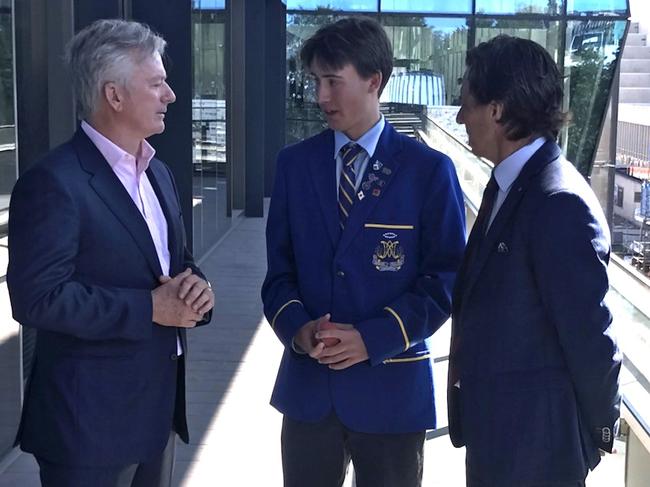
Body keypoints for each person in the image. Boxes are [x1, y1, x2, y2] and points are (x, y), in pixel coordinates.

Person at [7, 19, 214, 487]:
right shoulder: (54, 182)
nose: (171, 95)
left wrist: (197, 289)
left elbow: (174, 263)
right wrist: (150, 308)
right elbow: (36, 297)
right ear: (114, 95)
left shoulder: (158, 172)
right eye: (157, 83)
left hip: (157, 418)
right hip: (87, 431)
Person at [261, 17, 465, 487]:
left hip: (391, 389)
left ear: (374, 81)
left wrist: (373, 338)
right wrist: (299, 330)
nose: (320, 97)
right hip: (309, 391)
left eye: (333, 81)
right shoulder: (295, 166)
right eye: (315, 81)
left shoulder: (428, 170)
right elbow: (278, 275)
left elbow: (447, 279)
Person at [448, 35, 621, 487]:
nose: (461, 116)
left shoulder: (557, 200)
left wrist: (596, 434)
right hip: (502, 440)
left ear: (498, 110)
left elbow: (590, 336)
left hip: (538, 453)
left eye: (466, 102)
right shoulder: (508, 184)